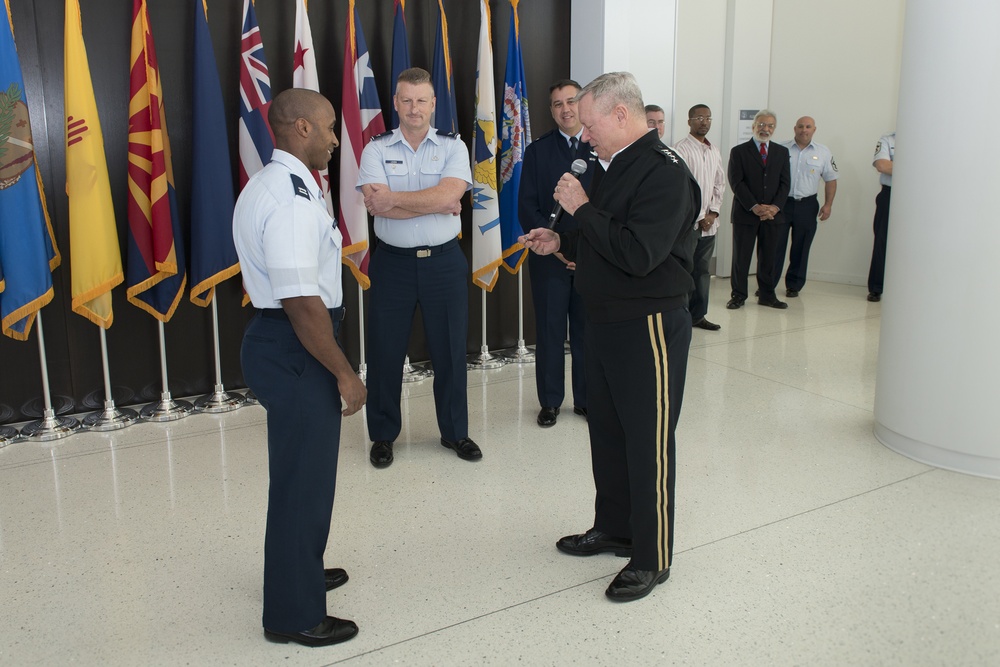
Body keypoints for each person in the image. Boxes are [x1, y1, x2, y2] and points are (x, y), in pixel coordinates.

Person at [520, 72, 699, 603]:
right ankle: (615, 528)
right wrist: (562, 239)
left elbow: (639, 253)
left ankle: (652, 555)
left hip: (648, 326)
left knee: (647, 441)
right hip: (604, 322)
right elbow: (604, 235)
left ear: (621, 116)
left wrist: (579, 210)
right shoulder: (616, 165)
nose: (585, 132)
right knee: (609, 435)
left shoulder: (665, 173)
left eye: (591, 121)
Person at [234, 89, 366, 647]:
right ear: (300, 129)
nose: (338, 139)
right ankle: (293, 615)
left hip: (287, 343)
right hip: (297, 345)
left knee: (299, 477)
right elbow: (301, 303)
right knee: (302, 484)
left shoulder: (276, 183)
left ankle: (299, 570)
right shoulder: (288, 198)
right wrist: (344, 372)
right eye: (331, 127)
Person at [357, 67, 479, 468]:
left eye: (421, 100)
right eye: (406, 100)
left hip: (444, 262)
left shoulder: (453, 147)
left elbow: (451, 194)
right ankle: (383, 436)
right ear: (395, 102)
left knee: (449, 351)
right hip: (392, 264)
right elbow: (377, 203)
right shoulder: (375, 148)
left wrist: (397, 201)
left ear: (433, 104)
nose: (414, 108)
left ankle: (455, 432)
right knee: (385, 353)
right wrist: (437, 202)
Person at [519, 79, 595, 427]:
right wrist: (557, 248)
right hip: (548, 257)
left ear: (582, 104)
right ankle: (549, 401)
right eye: (556, 104)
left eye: (571, 101)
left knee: (587, 329)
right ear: (550, 110)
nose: (565, 109)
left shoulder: (600, 146)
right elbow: (527, 205)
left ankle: (586, 399)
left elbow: (606, 206)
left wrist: (582, 247)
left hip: (592, 256)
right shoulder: (538, 150)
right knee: (549, 330)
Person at [726, 109, 791, 309]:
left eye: (770, 125)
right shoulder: (739, 151)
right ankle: (738, 295)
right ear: (753, 126)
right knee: (741, 258)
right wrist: (754, 206)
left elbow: (785, 183)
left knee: (769, 258)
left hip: (772, 216)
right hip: (746, 214)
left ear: (774, 128)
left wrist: (774, 207)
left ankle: (767, 295)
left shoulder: (781, 152)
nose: (765, 129)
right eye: (761, 125)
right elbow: (736, 182)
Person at [671, 104, 725, 330]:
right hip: (689, 225)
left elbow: (719, 183)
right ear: (689, 121)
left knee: (703, 272)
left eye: (708, 118)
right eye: (699, 118)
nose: (704, 122)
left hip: (709, 225)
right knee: (684, 271)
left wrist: (712, 213)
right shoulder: (680, 150)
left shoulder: (714, 150)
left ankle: (698, 315)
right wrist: (701, 215)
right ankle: (681, 316)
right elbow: (680, 187)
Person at [775, 116, 838, 297]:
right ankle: (768, 283)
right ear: (795, 128)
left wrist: (828, 205)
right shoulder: (780, 149)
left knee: (801, 248)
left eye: (808, 127)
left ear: (814, 129)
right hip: (782, 204)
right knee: (774, 245)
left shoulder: (823, 152)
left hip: (807, 205)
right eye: (801, 126)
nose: (804, 130)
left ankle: (794, 285)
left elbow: (831, 180)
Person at [868, 131, 895, 302]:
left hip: (918, 197)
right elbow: (882, 166)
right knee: (882, 241)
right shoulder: (887, 140)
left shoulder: (926, 140)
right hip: (889, 195)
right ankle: (876, 288)